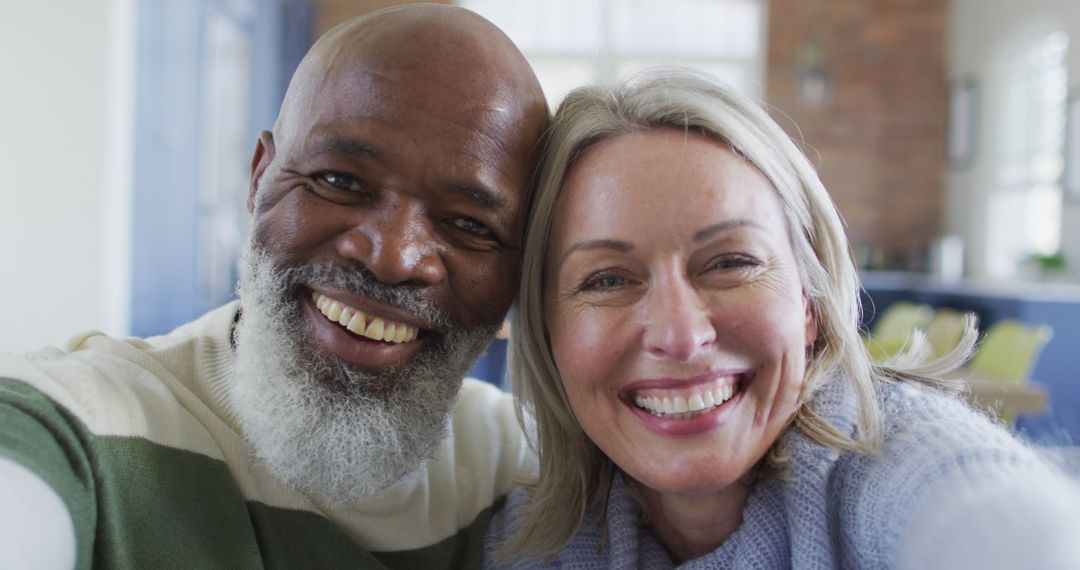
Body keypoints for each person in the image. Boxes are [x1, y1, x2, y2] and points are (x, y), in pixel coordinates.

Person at [0, 5, 548, 569]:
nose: (390, 256)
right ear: (260, 177)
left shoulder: (525, 478)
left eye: (469, 225)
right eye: (339, 181)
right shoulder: (90, 430)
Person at [485, 68, 1080, 568]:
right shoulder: (532, 536)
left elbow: (1004, 523)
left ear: (811, 300)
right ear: (548, 331)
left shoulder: (887, 460)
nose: (681, 335)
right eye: (607, 279)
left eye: (731, 262)